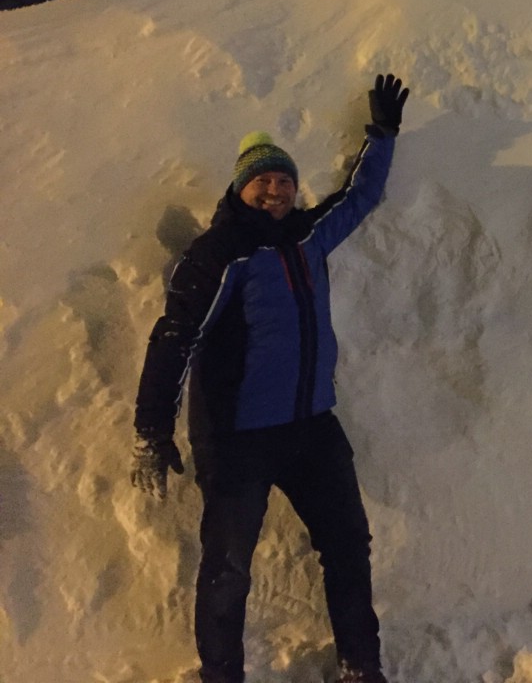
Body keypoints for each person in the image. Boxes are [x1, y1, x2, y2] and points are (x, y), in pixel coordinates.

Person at [130, 74, 410, 683]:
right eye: (263, 181)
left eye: (284, 181)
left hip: (311, 427)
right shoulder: (218, 254)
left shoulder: (307, 236)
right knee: (228, 568)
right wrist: (152, 431)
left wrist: (383, 135)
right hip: (238, 439)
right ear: (242, 187)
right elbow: (175, 337)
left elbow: (357, 198)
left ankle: (361, 667)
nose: (276, 190)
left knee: (348, 546)